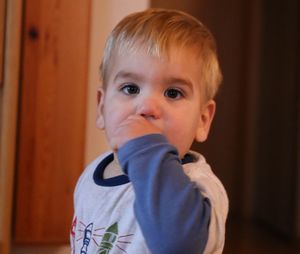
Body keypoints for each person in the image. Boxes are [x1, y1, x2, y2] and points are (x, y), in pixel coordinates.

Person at [71, 8, 228, 254]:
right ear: (101, 107)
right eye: (131, 88)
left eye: (173, 93)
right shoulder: (92, 173)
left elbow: (178, 245)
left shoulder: (200, 186)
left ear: (202, 120)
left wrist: (147, 149)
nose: (147, 108)